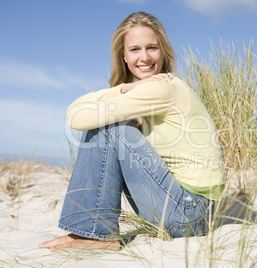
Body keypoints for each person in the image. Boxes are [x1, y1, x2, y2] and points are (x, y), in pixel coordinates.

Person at [38, 11, 226, 251]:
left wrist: (126, 88)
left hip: (191, 212)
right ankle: (86, 231)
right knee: (111, 124)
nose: (145, 57)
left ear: (163, 52)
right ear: (124, 56)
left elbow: (76, 117)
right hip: (186, 209)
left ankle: (94, 233)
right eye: (135, 49)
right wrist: (128, 86)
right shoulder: (146, 90)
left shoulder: (164, 88)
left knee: (112, 127)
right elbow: (74, 112)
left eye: (152, 48)